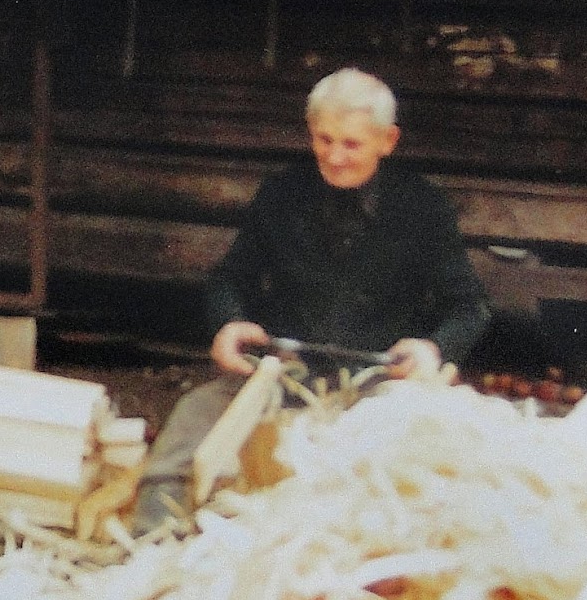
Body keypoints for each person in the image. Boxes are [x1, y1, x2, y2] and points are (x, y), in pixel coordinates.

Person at [131, 67, 491, 533]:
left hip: (376, 381)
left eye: (352, 144)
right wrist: (229, 323)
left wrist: (433, 349)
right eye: (324, 140)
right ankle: (150, 548)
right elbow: (228, 278)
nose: (335, 157)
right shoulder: (283, 193)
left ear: (388, 140)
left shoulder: (422, 208)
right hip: (284, 372)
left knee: (411, 481)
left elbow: (471, 307)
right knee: (194, 417)